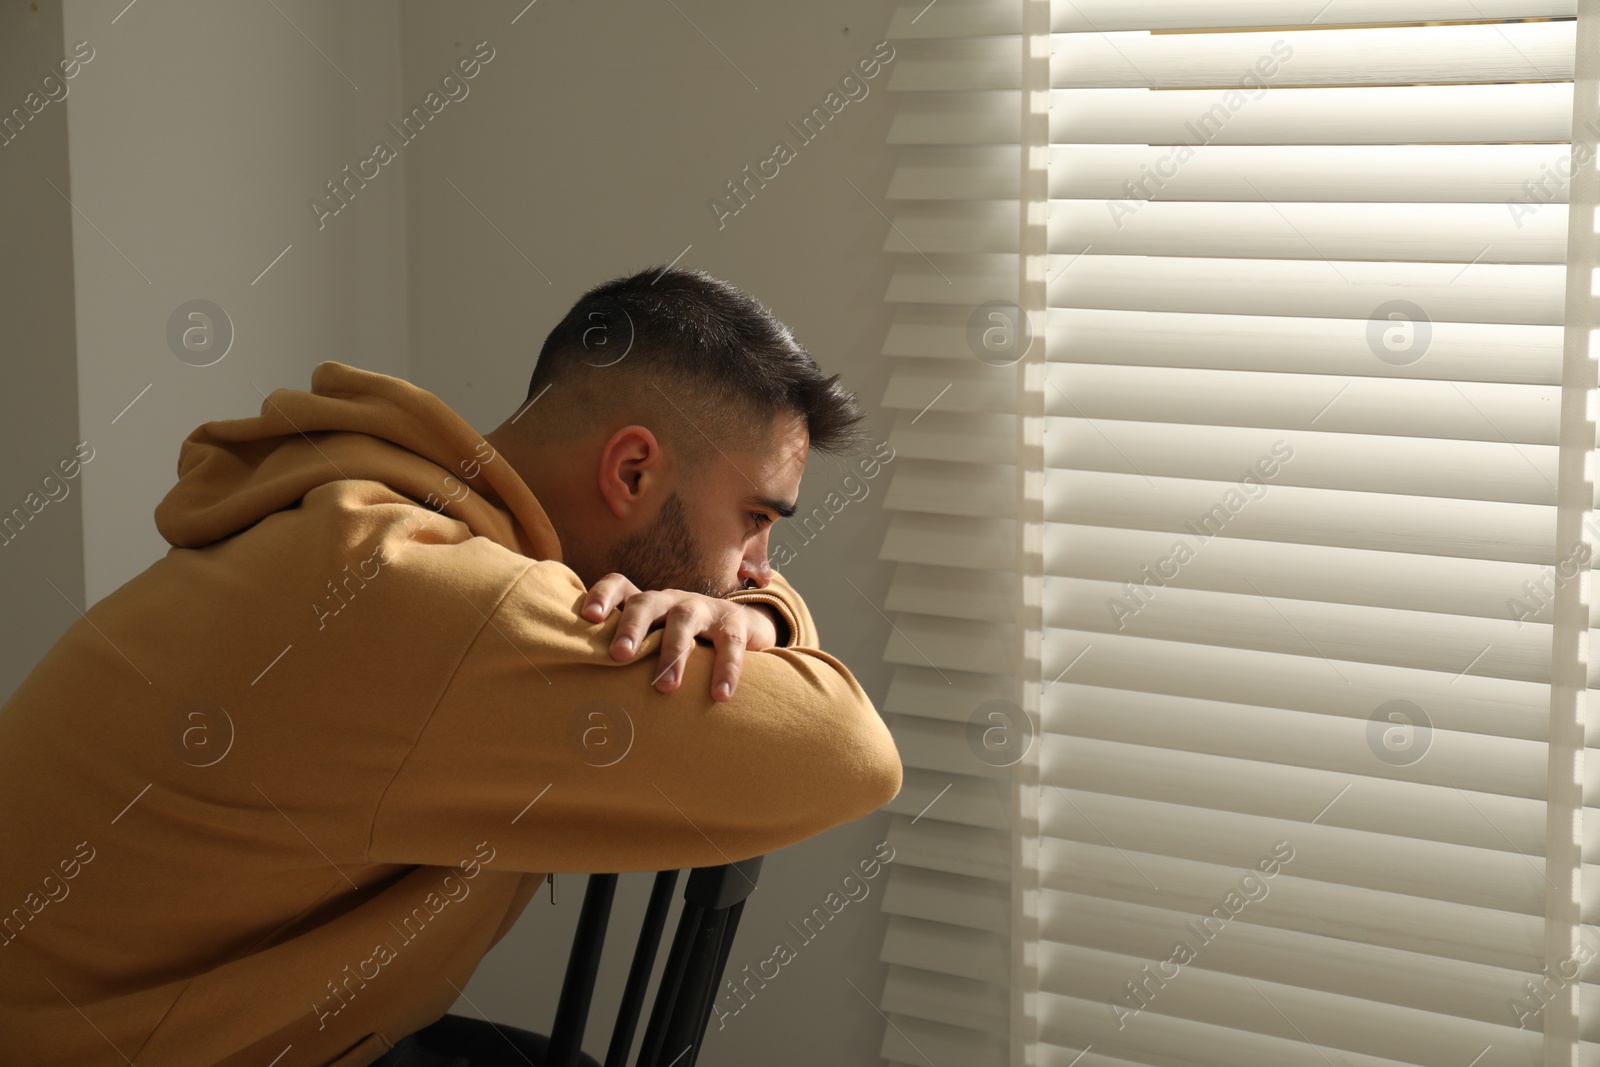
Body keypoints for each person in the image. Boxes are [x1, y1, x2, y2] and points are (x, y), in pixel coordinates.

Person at [0, 265, 903, 1066]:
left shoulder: (378, 519)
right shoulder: (438, 598)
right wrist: (774, 622)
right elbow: (856, 754)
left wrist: (748, 613)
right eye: (757, 518)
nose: (761, 566)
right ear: (632, 471)